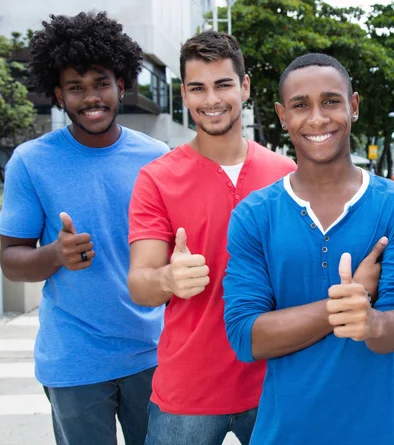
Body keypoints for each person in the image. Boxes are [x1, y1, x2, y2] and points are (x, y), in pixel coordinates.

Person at [223, 53, 394, 445]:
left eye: (331, 101)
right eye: (301, 105)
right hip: (284, 432)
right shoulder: (253, 215)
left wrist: (372, 323)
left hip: (380, 431)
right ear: (283, 116)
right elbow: (246, 338)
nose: (317, 118)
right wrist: (343, 306)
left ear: (353, 106)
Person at [0, 11, 169, 445]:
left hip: (152, 354)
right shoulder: (31, 161)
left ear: (122, 86)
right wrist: (54, 255)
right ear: (58, 95)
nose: (90, 97)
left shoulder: (158, 158)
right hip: (73, 361)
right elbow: (11, 262)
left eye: (101, 83)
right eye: (76, 87)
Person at [126, 31, 296, 445]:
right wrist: (167, 279)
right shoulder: (156, 178)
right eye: (198, 88)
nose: (211, 99)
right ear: (184, 94)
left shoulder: (287, 174)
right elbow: (140, 284)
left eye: (223, 84)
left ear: (245, 86)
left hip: (274, 384)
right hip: (188, 392)